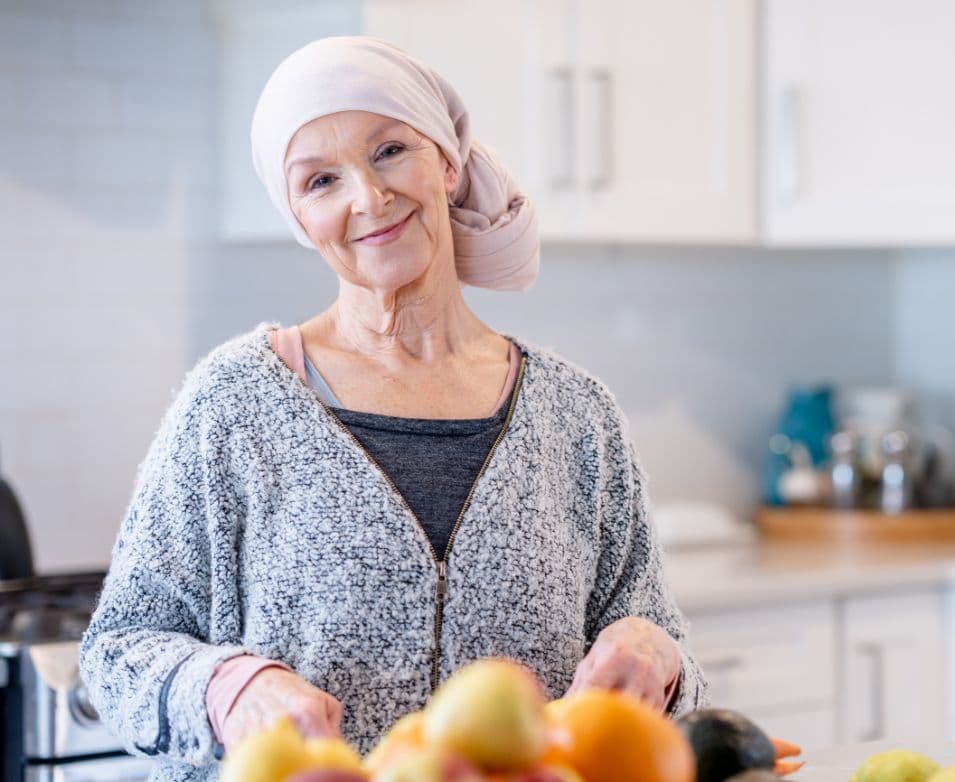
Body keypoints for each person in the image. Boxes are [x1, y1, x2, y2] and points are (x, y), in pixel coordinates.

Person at [80, 36, 709, 781]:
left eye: (387, 152)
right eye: (319, 181)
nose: (367, 199)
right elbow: (119, 648)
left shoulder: (578, 415)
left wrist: (654, 651)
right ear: (299, 218)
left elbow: (666, 659)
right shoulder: (234, 401)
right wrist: (229, 688)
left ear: (446, 163)